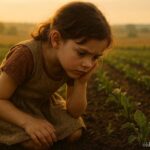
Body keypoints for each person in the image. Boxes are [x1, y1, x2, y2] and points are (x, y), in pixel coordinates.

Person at [0, 1, 112, 150]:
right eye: (82, 53)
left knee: (75, 132)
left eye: (95, 57)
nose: (87, 64)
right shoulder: (25, 55)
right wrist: (28, 122)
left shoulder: (72, 65)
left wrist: (81, 83)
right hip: (10, 107)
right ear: (56, 39)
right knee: (36, 142)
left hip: (42, 104)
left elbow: (74, 112)